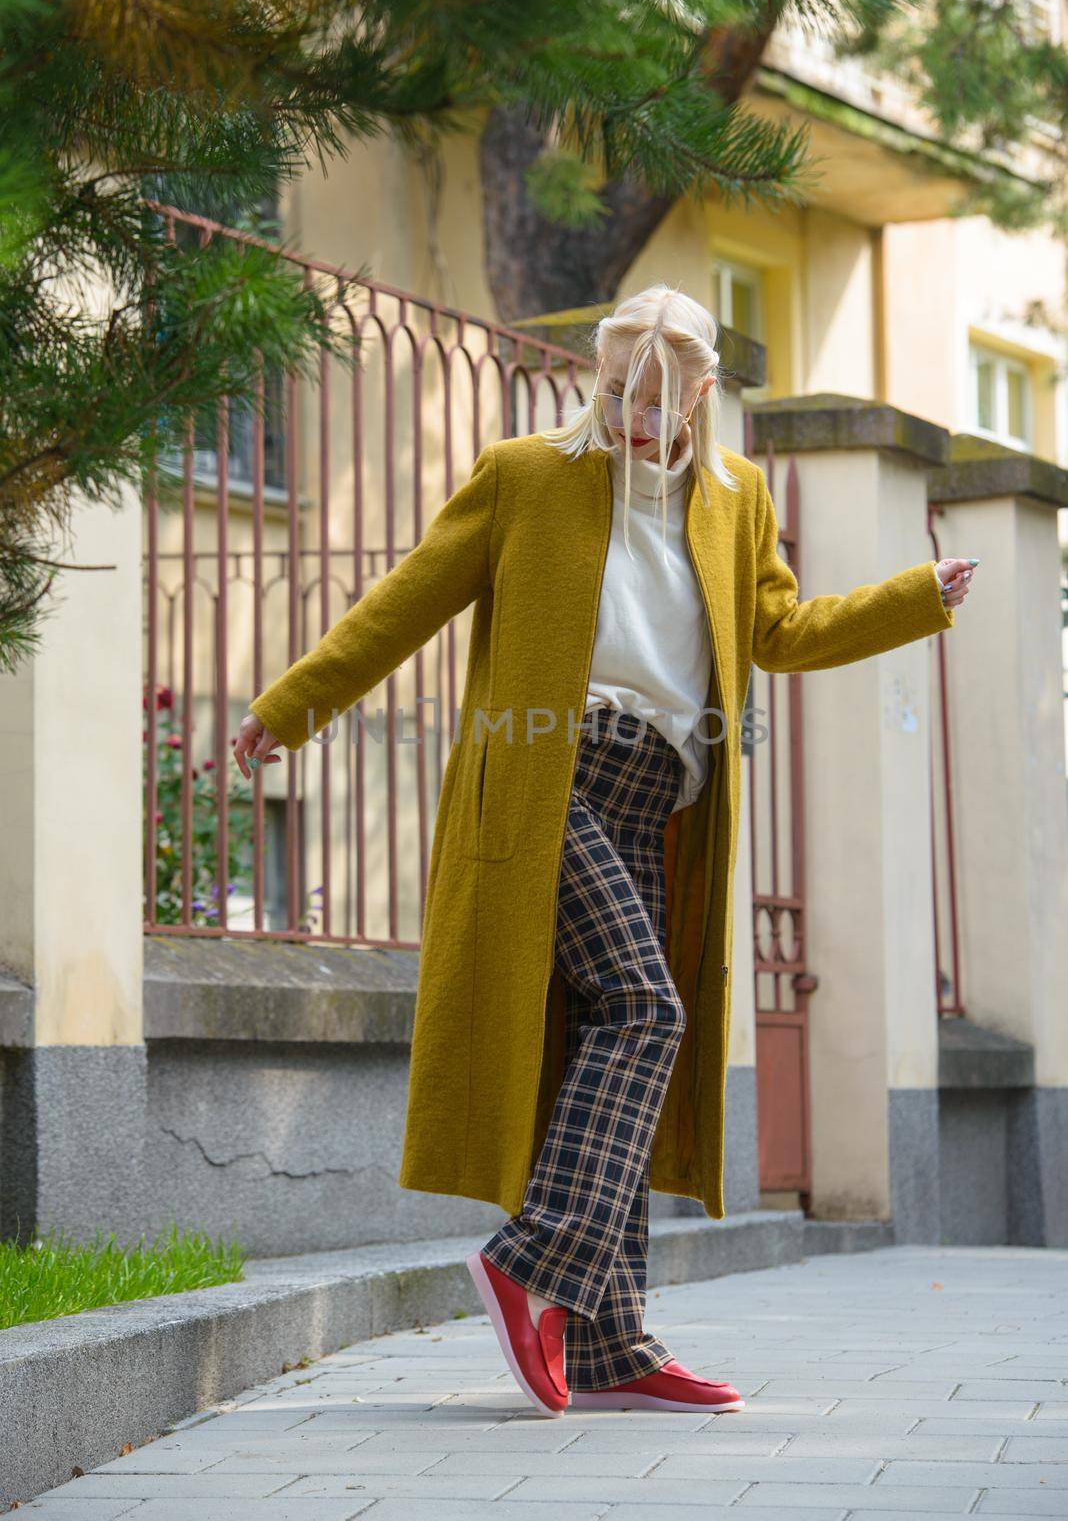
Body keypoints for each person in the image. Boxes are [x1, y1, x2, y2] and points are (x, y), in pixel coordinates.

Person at [234, 283, 978, 1420]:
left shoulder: (736, 498)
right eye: (618, 390)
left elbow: (779, 632)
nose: (633, 417)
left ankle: (614, 1339)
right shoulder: (527, 475)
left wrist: (911, 599)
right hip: (548, 782)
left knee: (610, 1039)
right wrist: (292, 705)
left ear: (702, 394)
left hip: (654, 801)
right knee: (648, 1010)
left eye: (657, 398)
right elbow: (407, 598)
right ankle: (527, 1260)